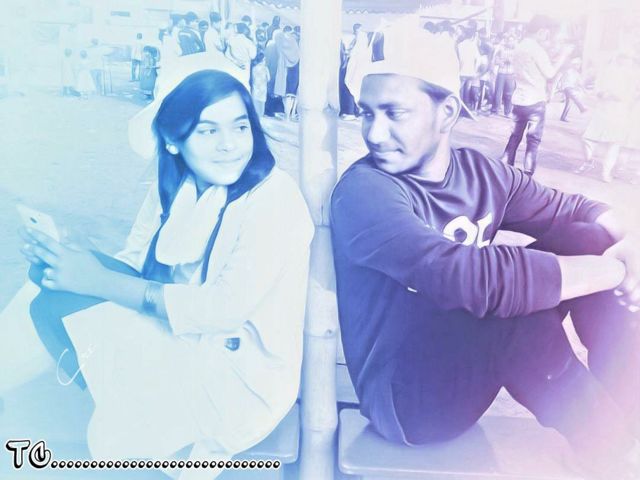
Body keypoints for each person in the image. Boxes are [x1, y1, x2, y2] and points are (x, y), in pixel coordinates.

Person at [336, 19, 640, 480]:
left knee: (589, 239)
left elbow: (573, 209)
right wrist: (615, 271)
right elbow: (471, 280)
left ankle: (628, 411)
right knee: (509, 308)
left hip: (463, 360)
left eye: (394, 113)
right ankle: (610, 449)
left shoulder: (481, 173)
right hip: (408, 400)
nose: (375, 133)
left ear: (447, 112)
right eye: (366, 113)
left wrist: (630, 245)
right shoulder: (364, 191)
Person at [0, 59, 314, 477]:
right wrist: (75, 257)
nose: (230, 145)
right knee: (47, 281)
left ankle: (152, 425)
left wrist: (97, 279)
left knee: (52, 303)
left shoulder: (274, 199)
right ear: (172, 139)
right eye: (207, 131)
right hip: (183, 340)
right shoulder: (177, 185)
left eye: (241, 127)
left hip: (238, 378)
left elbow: (221, 310)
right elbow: (136, 261)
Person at [500, 15, 574, 174]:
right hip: (535, 101)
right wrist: (562, 56)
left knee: (514, 137)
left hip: (519, 98)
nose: (548, 36)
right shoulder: (537, 50)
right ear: (541, 31)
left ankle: (505, 171)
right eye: (547, 33)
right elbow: (550, 73)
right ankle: (527, 175)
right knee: (533, 142)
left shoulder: (519, 47)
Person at [575, 52, 636, 182]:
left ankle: (605, 172)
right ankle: (589, 161)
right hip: (603, 110)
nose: (627, 61)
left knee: (614, 143)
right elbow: (597, 89)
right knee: (587, 138)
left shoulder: (632, 75)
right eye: (624, 57)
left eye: (629, 59)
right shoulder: (607, 71)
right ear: (619, 58)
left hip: (620, 112)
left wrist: (613, 95)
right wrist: (602, 94)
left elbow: (630, 95)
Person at [491, 34, 517, 116]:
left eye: (512, 40)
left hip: (511, 74)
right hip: (501, 73)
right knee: (498, 93)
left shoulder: (516, 51)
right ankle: (494, 110)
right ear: (506, 40)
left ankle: (507, 112)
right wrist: (501, 62)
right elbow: (495, 60)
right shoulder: (501, 49)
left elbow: (519, 62)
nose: (510, 42)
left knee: (509, 94)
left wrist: (511, 61)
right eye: (509, 40)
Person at [559, 57, 587, 122]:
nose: (578, 66)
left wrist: (584, 90)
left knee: (569, 104)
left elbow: (580, 83)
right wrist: (561, 87)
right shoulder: (568, 71)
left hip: (571, 88)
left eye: (579, 65)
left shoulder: (577, 74)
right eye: (577, 65)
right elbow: (562, 79)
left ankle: (563, 117)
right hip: (567, 87)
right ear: (573, 65)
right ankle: (582, 108)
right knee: (574, 96)